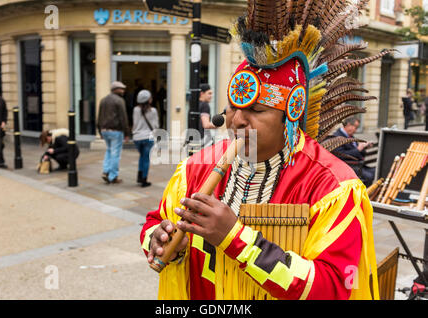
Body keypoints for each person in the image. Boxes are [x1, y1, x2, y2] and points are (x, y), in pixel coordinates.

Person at [140, 0, 386, 300]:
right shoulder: (194, 169)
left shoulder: (333, 187)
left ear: (290, 115)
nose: (237, 120)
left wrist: (234, 238)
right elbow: (155, 220)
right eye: (233, 107)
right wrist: (159, 239)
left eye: (256, 109)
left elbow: (333, 288)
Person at [97, 81, 130, 184]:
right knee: (115, 154)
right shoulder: (119, 101)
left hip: (104, 130)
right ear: (116, 90)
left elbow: (99, 117)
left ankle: (106, 171)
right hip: (116, 131)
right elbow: (123, 118)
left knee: (109, 151)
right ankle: (113, 176)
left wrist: (100, 131)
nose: (123, 91)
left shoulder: (103, 100)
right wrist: (127, 133)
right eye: (121, 89)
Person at [332, 117, 376, 187]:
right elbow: (341, 155)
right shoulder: (336, 137)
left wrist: (364, 147)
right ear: (348, 125)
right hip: (348, 167)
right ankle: (364, 195)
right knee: (369, 176)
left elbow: (360, 154)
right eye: (355, 127)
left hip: (357, 166)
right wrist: (358, 149)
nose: (355, 130)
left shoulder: (350, 136)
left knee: (376, 171)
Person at [132, 90, 159, 188]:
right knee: (146, 158)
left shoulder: (135, 109)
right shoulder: (153, 111)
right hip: (148, 137)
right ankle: (144, 179)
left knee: (142, 156)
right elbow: (156, 125)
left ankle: (139, 175)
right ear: (148, 100)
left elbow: (135, 123)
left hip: (137, 137)